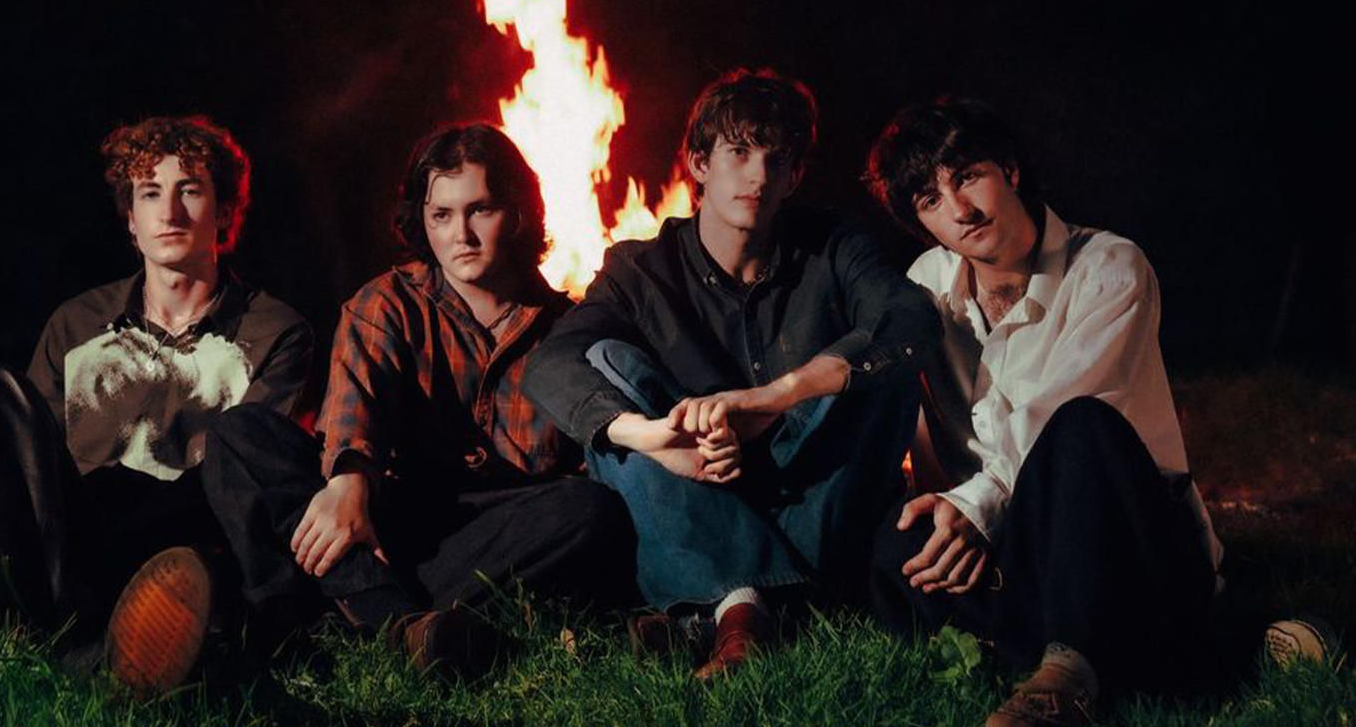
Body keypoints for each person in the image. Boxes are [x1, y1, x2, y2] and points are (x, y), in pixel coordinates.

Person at [526, 68, 941, 679]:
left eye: (777, 160)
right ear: (699, 164)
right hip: (698, 485)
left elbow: (910, 319)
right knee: (606, 362)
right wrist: (656, 440)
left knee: (881, 363)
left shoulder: (832, 245)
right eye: (739, 153)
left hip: (812, 493)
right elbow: (549, 363)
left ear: (795, 176)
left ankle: (729, 607)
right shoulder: (640, 270)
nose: (758, 176)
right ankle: (768, 605)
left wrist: (774, 397)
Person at [0, 115, 316, 697]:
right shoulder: (76, 323)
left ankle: (109, 652)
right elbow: (32, 467)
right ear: (131, 220)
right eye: (150, 193)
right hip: (82, 535)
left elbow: (256, 477)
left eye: (190, 190)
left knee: (207, 578)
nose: (170, 212)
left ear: (224, 212)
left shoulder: (277, 331)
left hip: (190, 543)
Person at [199, 123, 632, 678]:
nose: (461, 235)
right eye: (442, 215)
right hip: (382, 516)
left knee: (590, 511)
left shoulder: (565, 329)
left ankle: (345, 615)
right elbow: (353, 416)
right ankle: (395, 620)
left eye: (480, 210)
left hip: (489, 539)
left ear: (518, 214)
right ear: (422, 222)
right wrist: (350, 481)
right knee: (241, 434)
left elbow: (581, 476)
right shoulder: (388, 302)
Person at [863, 97, 1222, 727]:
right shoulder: (929, 283)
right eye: (931, 200)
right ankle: (1133, 648)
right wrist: (946, 512)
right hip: (1017, 543)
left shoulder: (1108, 265)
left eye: (968, 176)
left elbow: (1055, 411)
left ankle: (1066, 674)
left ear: (1009, 169)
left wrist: (977, 504)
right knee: (896, 539)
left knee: (1079, 427)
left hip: (1127, 533)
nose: (960, 210)